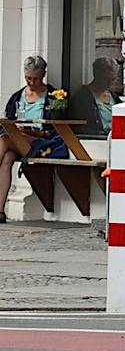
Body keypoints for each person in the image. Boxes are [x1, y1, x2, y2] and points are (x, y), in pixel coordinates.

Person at [0, 55, 55, 224]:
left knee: (4, 139)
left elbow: (55, 129)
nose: (31, 83)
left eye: (35, 79)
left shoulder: (54, 96)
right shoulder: (18, 96)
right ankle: (0, 211)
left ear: (43, 75)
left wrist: (38, 133)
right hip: (17, 138)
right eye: (28, 78)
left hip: (39, 141)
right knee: (7, 158)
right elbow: (8, 119)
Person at [68, 57, 120, 137]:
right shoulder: (83, 97)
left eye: (113, 79)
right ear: (96, 75)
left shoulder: (114, 97)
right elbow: (79, 126)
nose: (110, 83)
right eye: (106, 79)